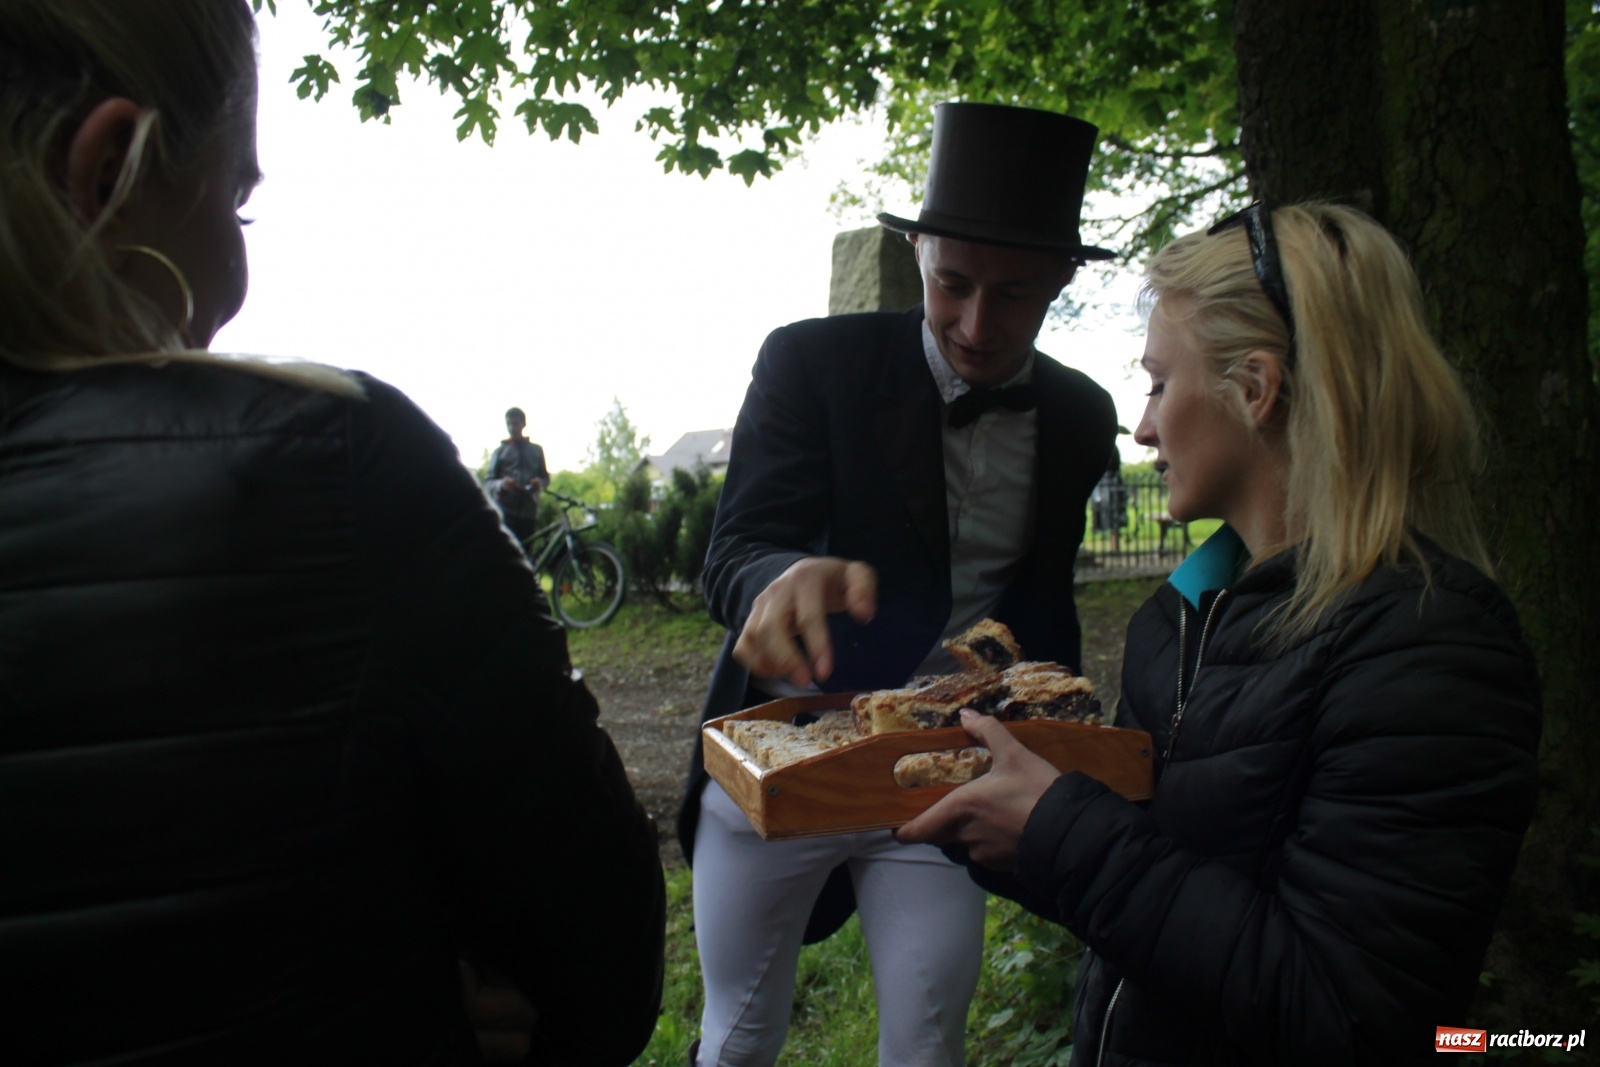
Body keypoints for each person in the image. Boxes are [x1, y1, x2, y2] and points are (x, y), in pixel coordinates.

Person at [0, 3, 664, 1064]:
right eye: (235, 203)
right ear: (109, 171)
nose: (235, 273)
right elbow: (599, 965)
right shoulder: (332, 458)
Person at [899, 202, 1542, 1065]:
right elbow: (1151, 896)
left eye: (1161, 383)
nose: (1142, 426)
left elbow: (1357, 1013)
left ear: (1256, 389)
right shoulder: (1183, 614)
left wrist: (1062, 829)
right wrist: (1003, 821)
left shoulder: (1430, 646)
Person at [680, 102, 1119, 1067]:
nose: (973, 324)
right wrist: (779, 578)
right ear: (916, 249)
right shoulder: (811, 362)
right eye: (950, 282)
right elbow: (737, 546)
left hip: (947, 770)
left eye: (1012, 296)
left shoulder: (1083, 416)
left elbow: (1042, 601)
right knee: (740, 1031)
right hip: (788, 754)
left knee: (929, 1041)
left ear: (1062, 280)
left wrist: (1055, 736)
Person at [485, 406, 550, 543]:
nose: (512, 428)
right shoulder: (500, 451)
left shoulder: (537, 451)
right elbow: (488, 483)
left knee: (525, 555)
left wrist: (540, 484)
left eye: (516, 423)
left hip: (529, 514)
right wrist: (501, 484)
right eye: (508, 424)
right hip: (504, 512)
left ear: (523, 424)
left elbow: (545, 478)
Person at [1090, 444, 1128, 553]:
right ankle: (1112, 545)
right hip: (1105, 485)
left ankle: (1114, 546)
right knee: (1106, 516)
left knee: (1114, 518)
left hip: (1111, 485)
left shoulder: (1113, 449)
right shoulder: (1107, 449)